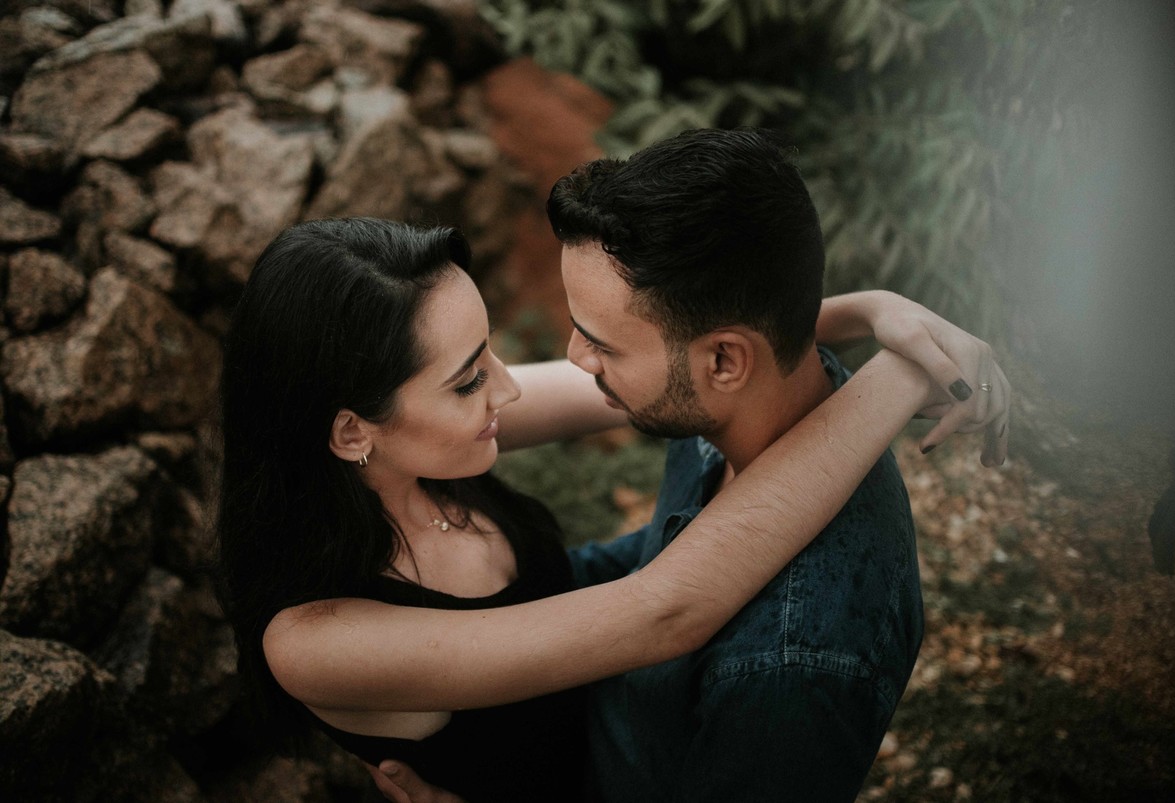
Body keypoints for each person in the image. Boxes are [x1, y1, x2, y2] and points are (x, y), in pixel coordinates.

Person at [218, 214, 1004, 801]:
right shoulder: (314, 638)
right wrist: (900, 379)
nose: (509, 387)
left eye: (489, 351)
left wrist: (873, 311)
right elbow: (667, 611)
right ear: (352, 429)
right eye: (467, 380)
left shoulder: (423, 444)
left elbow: (662, 374)